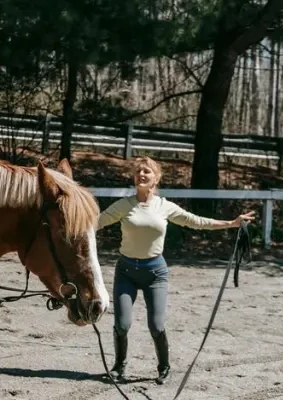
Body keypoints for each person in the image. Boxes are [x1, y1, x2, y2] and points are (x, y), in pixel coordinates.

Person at [97, 156, 255, 385]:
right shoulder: (124, 205)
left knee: (157, 326)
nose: (141, 174)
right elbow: (96, 222)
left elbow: (196, 221)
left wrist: (231, 224)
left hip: (155, 274)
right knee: (122, 324)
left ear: (156, 177)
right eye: (138, 171)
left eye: (147, 171)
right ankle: (118, 366)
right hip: (126, 272)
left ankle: (164, 367)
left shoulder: (164, 206)